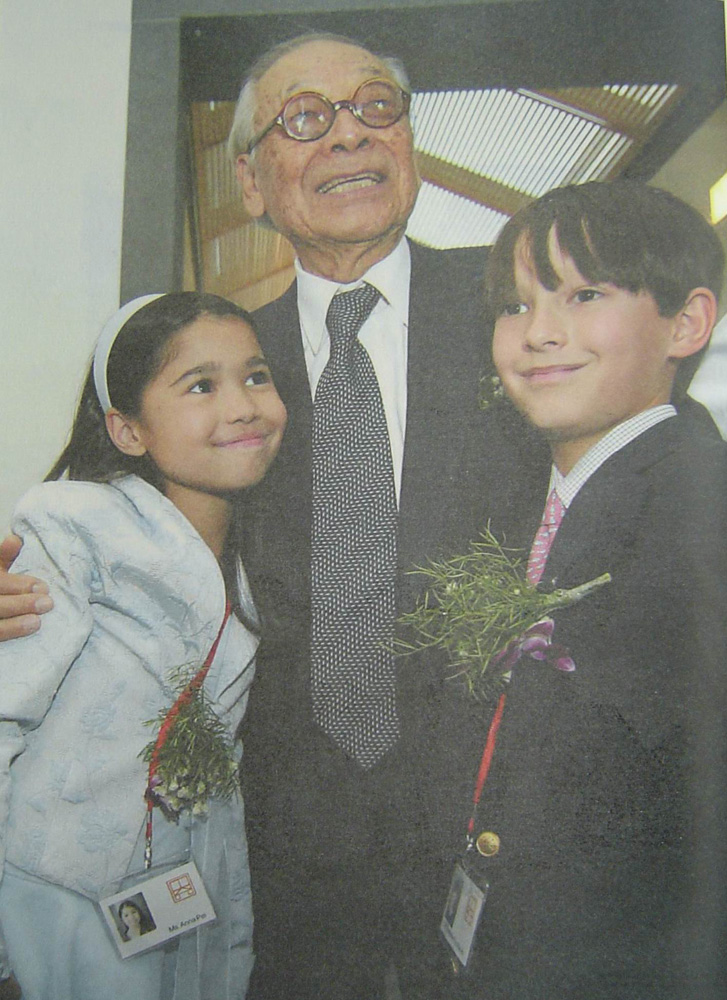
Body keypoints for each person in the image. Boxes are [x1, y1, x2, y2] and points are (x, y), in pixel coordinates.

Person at [0, 32, 720, 1000]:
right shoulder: (229, 372)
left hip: (507, 836)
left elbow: (656, 446)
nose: (348, 135)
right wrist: (27, 588)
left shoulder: (520, 315)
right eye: (305, 117)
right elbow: (130, 533)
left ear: (410, 143)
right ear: (250, 181)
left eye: (376, 107)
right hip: (283, 852)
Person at [423, 179, 726, 997]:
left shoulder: (701, 516)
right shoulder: (521, 500)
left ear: (686, 323)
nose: (537, 334)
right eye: (514, 306)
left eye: (584, 295)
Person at [0, 292, 287, 1000]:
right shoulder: (75, 527)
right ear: (128, 430)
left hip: (190, 879)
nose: (243, 406)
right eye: (200, 386)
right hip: (60, 887)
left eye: (255, 376)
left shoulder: (264, 553)